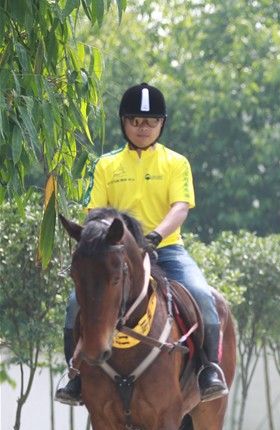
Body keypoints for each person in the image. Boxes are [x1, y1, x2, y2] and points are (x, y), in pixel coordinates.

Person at [55, 83, 228, 405]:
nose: (143, 128)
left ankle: (209, 369)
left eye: (150, 122)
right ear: (124, 123)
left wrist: (154, 236)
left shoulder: (176, 162)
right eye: (135, 121)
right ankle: (75, 376)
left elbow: (180, 207)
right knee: (73, 304)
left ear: (162, 124)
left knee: (203, 296)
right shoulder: (106, 165)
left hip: (166, 248)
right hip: (116, 255)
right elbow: (95, 213)